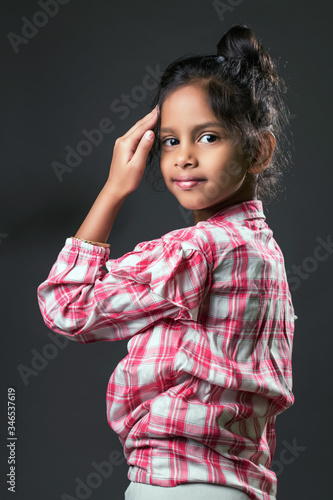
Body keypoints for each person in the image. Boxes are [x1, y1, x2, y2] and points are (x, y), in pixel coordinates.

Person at [37, 24, 297, 500]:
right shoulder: (265, 251)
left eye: (209, 137)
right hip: (238, 485)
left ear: (257, 150)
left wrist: (114, 188)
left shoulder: (196, 250)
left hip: (178, 484)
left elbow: (67, 306)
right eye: (171, 140)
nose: (185, 157)